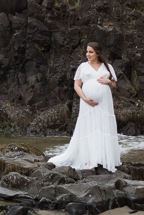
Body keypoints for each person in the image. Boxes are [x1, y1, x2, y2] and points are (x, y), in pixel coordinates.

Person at [48, 42, 121, 172]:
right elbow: (77, 85)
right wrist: (84, 98)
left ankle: (104, 158)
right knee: (90, 128)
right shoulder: (83, 67)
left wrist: (108, 82)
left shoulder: (107, 67)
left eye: (91, 52)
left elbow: (114, 86)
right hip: (87, 103)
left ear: (98, 53)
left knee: (103, 127)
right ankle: (90, 159)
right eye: (87, 51)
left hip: (104, 103)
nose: (88, 54)